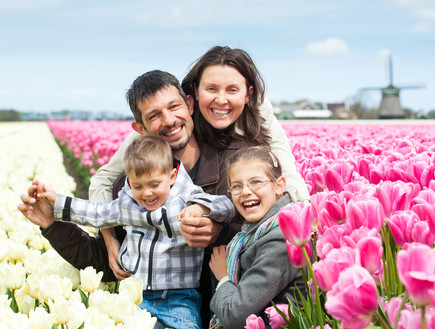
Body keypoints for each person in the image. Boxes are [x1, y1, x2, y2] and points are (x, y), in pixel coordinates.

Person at [18, 135, 235, 329]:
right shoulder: (127, 204)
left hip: (178, 298)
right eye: (138, 186)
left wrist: (202, 208)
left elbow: (227, 205)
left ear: (172, 176)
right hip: (135, 294)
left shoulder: (187, 199)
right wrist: (56, 203)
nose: (147, 193)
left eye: (154, 184)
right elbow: (95, 213)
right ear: (129, 181)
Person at [208, 146, 306, 329]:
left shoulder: (283, 239)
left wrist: (223, 278)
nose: (245, 191)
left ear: (280, 185)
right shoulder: (254, 231)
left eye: (256, 182)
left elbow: (234, 316)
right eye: (236, 186)